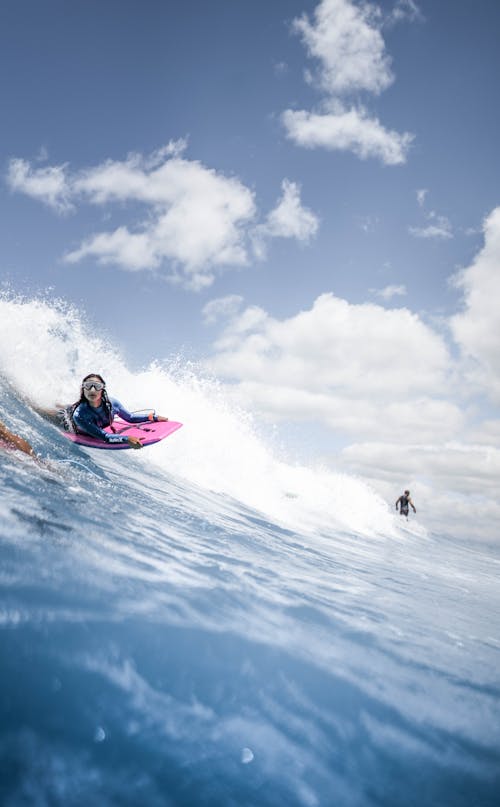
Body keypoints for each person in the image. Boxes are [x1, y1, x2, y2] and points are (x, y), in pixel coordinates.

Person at [37, 373, 169, 449]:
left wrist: (152, 417)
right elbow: (104, 437)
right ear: (83, 390)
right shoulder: (80, 415)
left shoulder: (113, 403)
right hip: (66, 418)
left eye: (97, 386)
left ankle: (58, 403)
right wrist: (127, 439)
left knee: (64, 406)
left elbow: (130, 418)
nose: (92, 390)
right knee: (41, 411)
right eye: (88, 386)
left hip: (75, 409)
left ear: (102, 389)